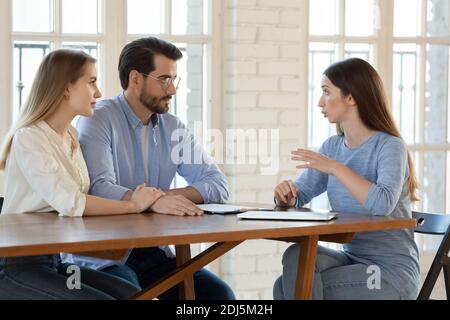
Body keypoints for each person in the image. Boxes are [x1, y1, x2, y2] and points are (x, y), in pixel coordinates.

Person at [72, 37, 235, 300]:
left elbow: (217, 184)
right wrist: (152, 201)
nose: (172, 90)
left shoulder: (173, 126)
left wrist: (160, 198)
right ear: (135, 79)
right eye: (164, 79)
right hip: (103, 254)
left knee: (218, 296)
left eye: (174, 80)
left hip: (152, 251)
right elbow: (99, 187)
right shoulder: (99, 119)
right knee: (129, 292)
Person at [0, 49, 165, 300]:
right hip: (16, 268)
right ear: (66, 87)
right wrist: (133, 205)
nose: (98, 92)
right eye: (91, 82)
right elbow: (72, 203)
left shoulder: (70, 137)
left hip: (55, 263)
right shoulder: (30, 138)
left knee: (132, 294)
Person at [273, 58, 420, 300]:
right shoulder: (332, 147)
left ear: (350, 98)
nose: (320, 102)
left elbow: (382, 205)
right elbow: (299, 196)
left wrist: (336, 168)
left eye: (326, 92)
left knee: (290, 288)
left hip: (389, 273)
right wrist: (285, 197)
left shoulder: (390, 146)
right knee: (295, 256)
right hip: (352, 259)